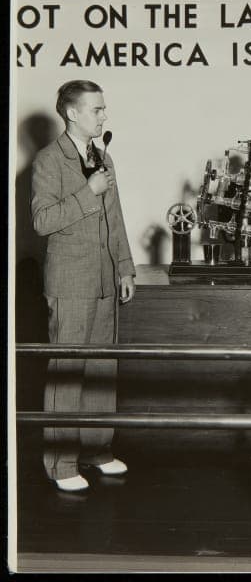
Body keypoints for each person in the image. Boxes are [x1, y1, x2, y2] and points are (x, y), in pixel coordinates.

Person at [30, 80, 136, 492]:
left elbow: (116, 219)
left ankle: (97, 451)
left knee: (101, 371)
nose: (104, 116)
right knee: (69, 371)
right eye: (97, 110)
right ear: (73, 113)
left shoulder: (104, 157)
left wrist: (124, 268)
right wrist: (88, 192)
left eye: (104, 109)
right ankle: (60, 464)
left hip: (105, 279)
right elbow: (42, 222)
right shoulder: (47, 161)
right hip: (70, 281)